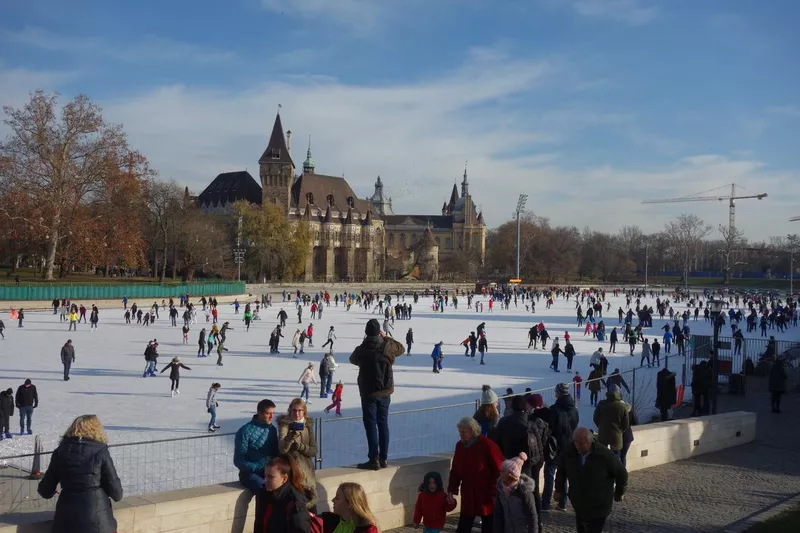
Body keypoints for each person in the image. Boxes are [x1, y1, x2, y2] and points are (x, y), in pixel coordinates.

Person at [37, 415, 123, 533]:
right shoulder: (101, 451)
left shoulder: (61, 451)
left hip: (66, 520)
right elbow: (117, 493)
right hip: (98, 522)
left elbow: (45, 490)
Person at [349, 318, 404, 470]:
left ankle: (374, 459)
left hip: (368, 393)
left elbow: (352, 359)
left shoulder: (363, 348)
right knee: (383, 424)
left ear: (366, 333)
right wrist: (386, 337)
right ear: (379, 331)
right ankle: (384, 458)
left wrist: (364, 343)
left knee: (371, 426)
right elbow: (401, 348)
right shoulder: (387, 347)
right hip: (385, 391)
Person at [555, 428, 627, 533]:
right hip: (579, 502)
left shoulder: (605, 455)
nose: (577, 446)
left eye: (581, 443)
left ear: (589, 442)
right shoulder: (569, 452)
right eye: (575, 442)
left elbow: (621, 473)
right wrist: (558, 489)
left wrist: (619, 492)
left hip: (599, 504)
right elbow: (561, 471)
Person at [448, 417, 503, 533]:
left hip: (486, 493)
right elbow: (455, 471)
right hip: (468, 492)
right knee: (464, 526)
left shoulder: (487, 445)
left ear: (473, 430)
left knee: (489, 526)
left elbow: (499, 469)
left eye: (463, 432)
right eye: (460, 432)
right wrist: (451, 491)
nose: (461, 435)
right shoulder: (460, 446)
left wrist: (495, 492)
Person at [541, 383, 579, 512]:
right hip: (569, 446)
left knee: (550, 474)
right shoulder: (574, 409)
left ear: (559, 393)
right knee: (564, 474)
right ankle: (562, 503)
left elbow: (549, 427)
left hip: (555, 447)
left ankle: (545, 503)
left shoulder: (554, 409)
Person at [278, 398, 319, 511]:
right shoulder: (285, 425)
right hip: (293, 471)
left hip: (308, 473)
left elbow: (314, 451)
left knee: (311, 508)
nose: (297, 413)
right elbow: (282, 449)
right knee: (296, 508)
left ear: (304, 412)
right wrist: (289, 438)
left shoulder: (308, 425)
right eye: (294, 410)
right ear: (290, 411)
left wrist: (301, 447)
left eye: (300, 410)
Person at [254, 454, 310, 533]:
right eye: (265, 476)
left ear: (284, 479)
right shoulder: (264, 494)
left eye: (270, 477)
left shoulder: (295, 502)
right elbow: (259, 525)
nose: (266, 480)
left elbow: (300, 529)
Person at [234, 399, 279, 493]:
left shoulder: (272, 430)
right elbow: (238, 460)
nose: (271, 417)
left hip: (269, 472)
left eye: (273, 413)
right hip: (250, 474)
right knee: (264, 490)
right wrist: (257, 468)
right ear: (259, 413)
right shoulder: (245, 431)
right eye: (268, 413)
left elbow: (275, 453)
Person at [493, 452, 539, 533]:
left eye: (503, 471)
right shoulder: (500, 489)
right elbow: (498, 514)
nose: (500, 473)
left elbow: (533, 516)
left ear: (511, 475)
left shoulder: (524, 491)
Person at [593, 385, 630, 457]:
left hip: (603, 434)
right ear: (619, 393)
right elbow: (625, 423)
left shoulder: (602, 404)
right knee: (616, 458)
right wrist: (619, 431)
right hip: (616, 436)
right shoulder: (622, 406)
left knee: (602, 456)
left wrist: (601, 427)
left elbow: (595, 418)